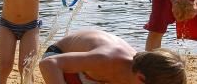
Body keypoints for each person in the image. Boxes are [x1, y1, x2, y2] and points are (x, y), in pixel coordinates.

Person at [39, 30, 187, 84]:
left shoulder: (141, 69)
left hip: (92, 73)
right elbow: (48, 64)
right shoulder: (106, 59)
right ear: (141, 78)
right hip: (59, 57)